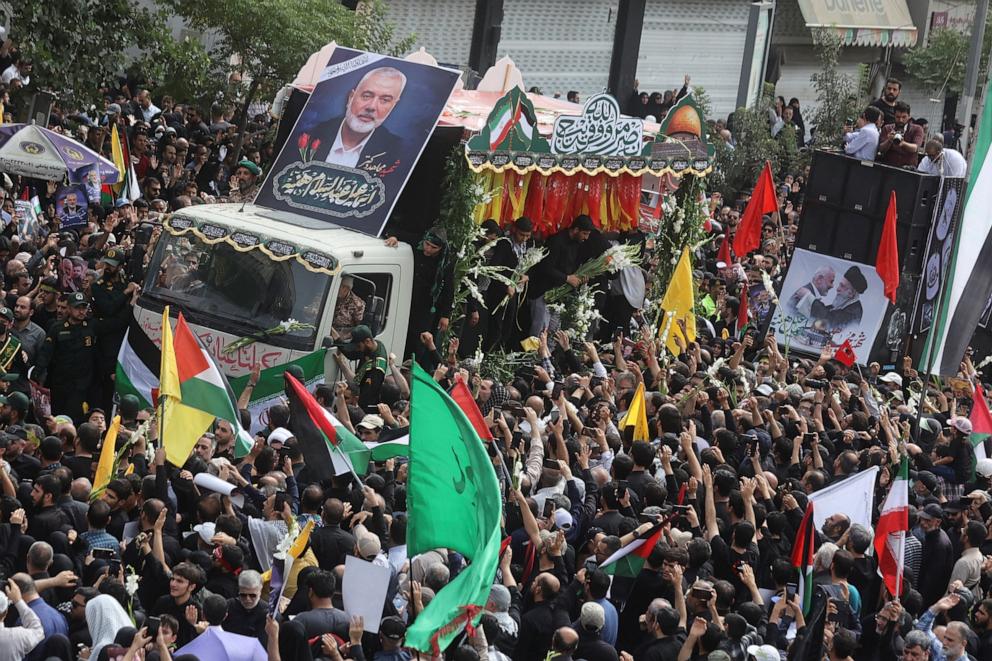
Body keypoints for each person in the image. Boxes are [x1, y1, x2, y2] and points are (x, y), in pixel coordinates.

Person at [308, 66, 408, 169]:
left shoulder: (399, 153)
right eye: (366, 96)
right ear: (351, 97)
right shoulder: (309, 135)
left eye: (384, 100)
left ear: (393, 106)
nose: (371, 107)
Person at [878, 101, 925, 168]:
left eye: (904, 117)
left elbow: (915, 148)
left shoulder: (917, 129)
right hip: (888, 168)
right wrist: (889, 141)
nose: (900, 120)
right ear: (894, 116)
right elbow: (881, 149)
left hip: (907, 169)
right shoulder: (887, 128)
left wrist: (903, 143)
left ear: (909, 116)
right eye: (898, 117)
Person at [332, 275, 366, 339]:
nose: (333, 287)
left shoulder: (358, 304)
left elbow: (360, 329)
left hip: (342, 340)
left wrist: (342, 337)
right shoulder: (328, 295)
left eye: (338, 286)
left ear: (345, 289)